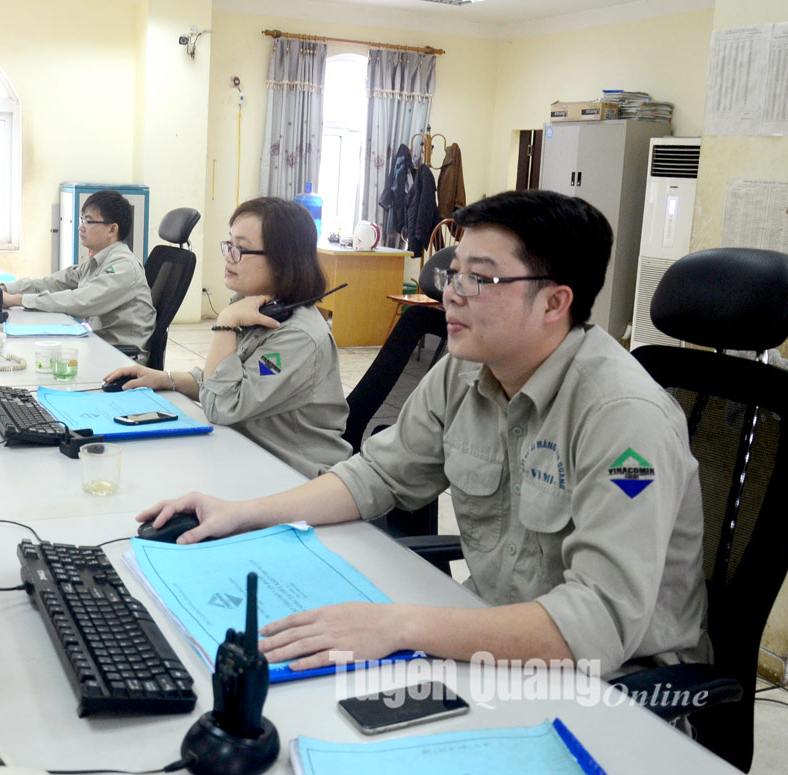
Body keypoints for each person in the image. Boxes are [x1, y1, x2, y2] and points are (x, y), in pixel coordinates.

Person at [137, 189, 709, 677]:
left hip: (614, 685)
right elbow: (375, 475)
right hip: (490, 642)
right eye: (454, 272)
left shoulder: (624, 416)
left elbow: (599, 624)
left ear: (556, 302)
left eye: (480, 279)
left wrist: (402, 624)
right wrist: (239, 512)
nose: (451, 293)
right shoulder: (465, 370)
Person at [103, 197, 350, 478]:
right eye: (229, 245)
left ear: (283, 260)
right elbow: (224, 379)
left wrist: (225, 324)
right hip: (246, 453)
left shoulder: (299, 336)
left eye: (241, 249)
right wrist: (165, 378)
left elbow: (222, 404)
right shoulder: (259, 307)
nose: (228, 256)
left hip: (292, 474)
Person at [0, 189, 156, 362]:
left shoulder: (124, 266)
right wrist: (2, 290)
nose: (81, 227)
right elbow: (51, 283)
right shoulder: (96, 262)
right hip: (99, 344)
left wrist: (18, 300)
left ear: (112, 229)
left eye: (88, 221)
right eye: (81, 219)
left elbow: (81, 301)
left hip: (123, 357)